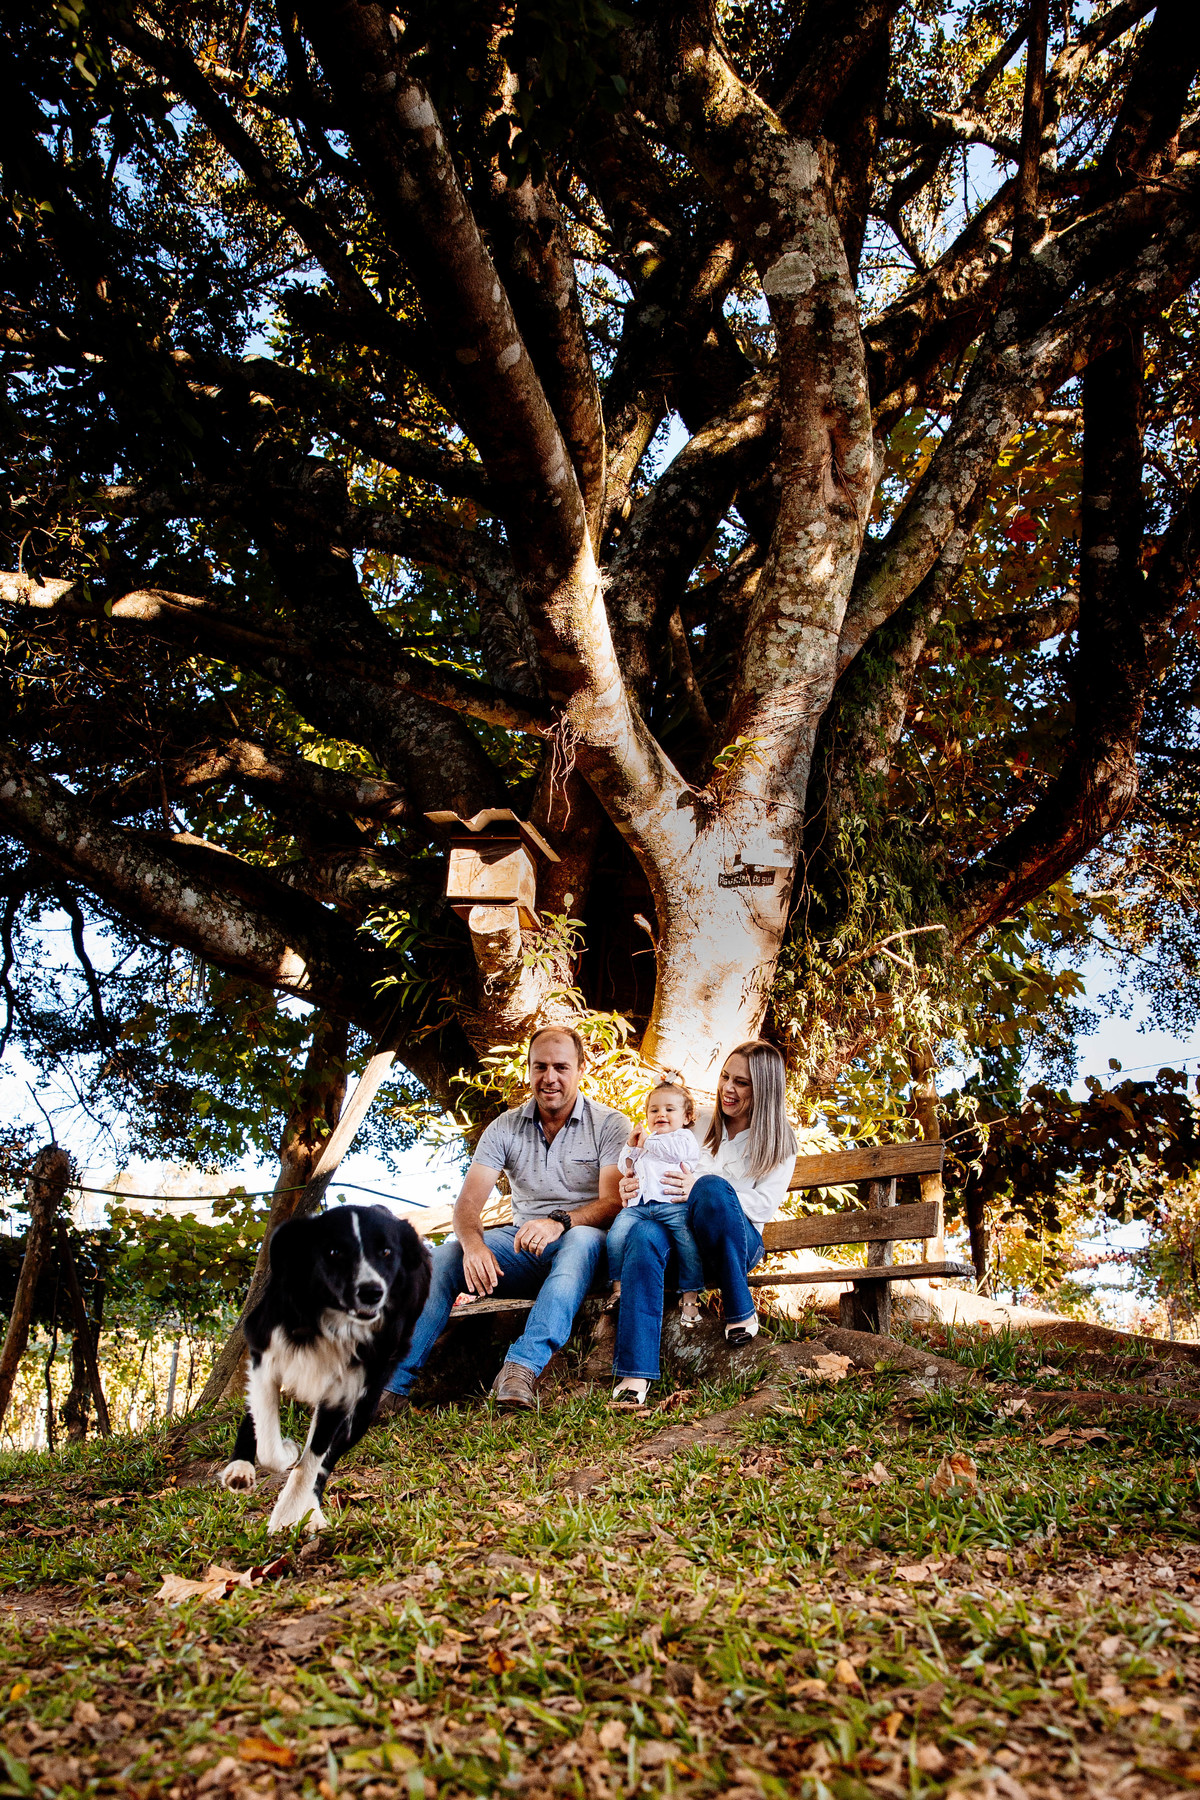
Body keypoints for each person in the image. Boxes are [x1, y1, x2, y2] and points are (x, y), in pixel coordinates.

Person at [377, 1026, 629, 1413]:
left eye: (561, 1067)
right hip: (524, 1251)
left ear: (580, 1069)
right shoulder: (505, 1127)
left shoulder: (610, 1124)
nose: (550, 1078)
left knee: (580, 1241)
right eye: (540, 1066)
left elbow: (613, 1202)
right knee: (444, 1258)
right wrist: (474, 1247)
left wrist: (559, 1221)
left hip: (587, 1248)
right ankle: (391, 1388)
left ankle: (520, 1369)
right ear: (528, 1070)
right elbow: (467, 1206)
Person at [610, 1039, 797, 1406]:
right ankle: (635, 1373)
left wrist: (698, 1187)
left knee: (711, 1187)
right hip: (683, 1239)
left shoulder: (780, 1140)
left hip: (736, 1242)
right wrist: (632, 1181)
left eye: (741, 1082)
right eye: (725, 1077)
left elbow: (761, 1206)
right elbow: (654, 1162)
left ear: (765, 1088)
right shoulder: (698, 1123)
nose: (728, 1088)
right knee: (644, 1233)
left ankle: (739, 1308)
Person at [606, 1080, 705, 1327]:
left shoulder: (683, 1138)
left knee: (687, 1243)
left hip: (672, 1204)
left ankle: (690, 1295)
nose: (661, 1114)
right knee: (615, 1235)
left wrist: (645, 1142)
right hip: (640, 1207)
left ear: (686, 1117)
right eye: (654, 1110)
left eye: (670, 1109)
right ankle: (618, 1288)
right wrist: (631, 1146)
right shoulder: (646, 1143)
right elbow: (624, 1167)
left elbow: (673, 1153)